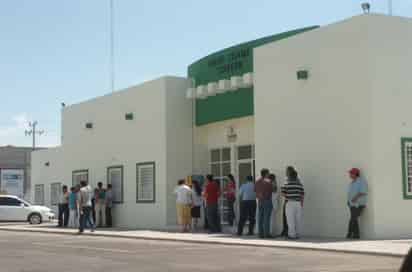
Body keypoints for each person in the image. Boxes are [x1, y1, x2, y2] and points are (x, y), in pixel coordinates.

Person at [281, 167, 304, 240]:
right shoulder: (300, 184)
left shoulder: (287, 183)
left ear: (290, 176)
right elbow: (302, 194)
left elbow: (282, 193)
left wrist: (287, 197)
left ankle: (292, 235)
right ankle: (298, 234)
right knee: (298, 220)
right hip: (298, 203)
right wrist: (301, 203)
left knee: (290, 220)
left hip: (290, 203)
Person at [346, 168, 367, 239]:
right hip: (352, 204)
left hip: (359, 204)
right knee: (353, 219)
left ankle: (350, 234)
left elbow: (363, 192)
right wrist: (348, 201)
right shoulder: (352, 182)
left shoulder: (361, 182)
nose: (350, 175)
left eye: (351, 173)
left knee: (353, 218)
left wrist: (355, 198)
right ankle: (355, 235)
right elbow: (350, 193)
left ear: (355, 174)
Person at [255, 169, 273, 238]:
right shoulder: (268, 181)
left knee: (260, 217)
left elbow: (255, 191)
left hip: (260, 201)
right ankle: (266, 234)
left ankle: (260, 234)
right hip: (267, 200)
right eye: (268, 173)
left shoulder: (257, 181)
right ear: (266, 174)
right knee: (266, 218)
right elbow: (272, 190)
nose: (269, 174)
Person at [281, 166, 295, 237]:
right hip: (286, 200)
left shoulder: (293, 180)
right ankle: (285, 230)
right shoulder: (287, 179)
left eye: (287, 171)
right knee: (284, 216)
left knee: (288, 217)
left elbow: (285, 190)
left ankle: (288, 232)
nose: (286, 172)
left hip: (289, 200)